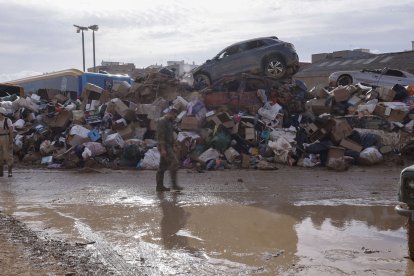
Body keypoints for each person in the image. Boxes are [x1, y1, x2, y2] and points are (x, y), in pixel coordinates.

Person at [156, 107, 183, 192]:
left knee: (162, 167)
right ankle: (174, 184)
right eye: (174, 116)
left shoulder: (169, 122)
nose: (174, 118)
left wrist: (175, 144)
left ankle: (159, 187)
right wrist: (163, 149)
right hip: (164, 146)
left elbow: (171, 135)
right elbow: (161, 137)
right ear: (170, 113)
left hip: (168, 146)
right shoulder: (162, 121)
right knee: (175, 162)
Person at [0, 107, 13, 177]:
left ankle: (9, 172)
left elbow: (11, 131)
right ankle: (0, 172)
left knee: (8, 155)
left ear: (1, 114)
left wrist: (11, 140)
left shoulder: (7, 120)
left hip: (5, 137)